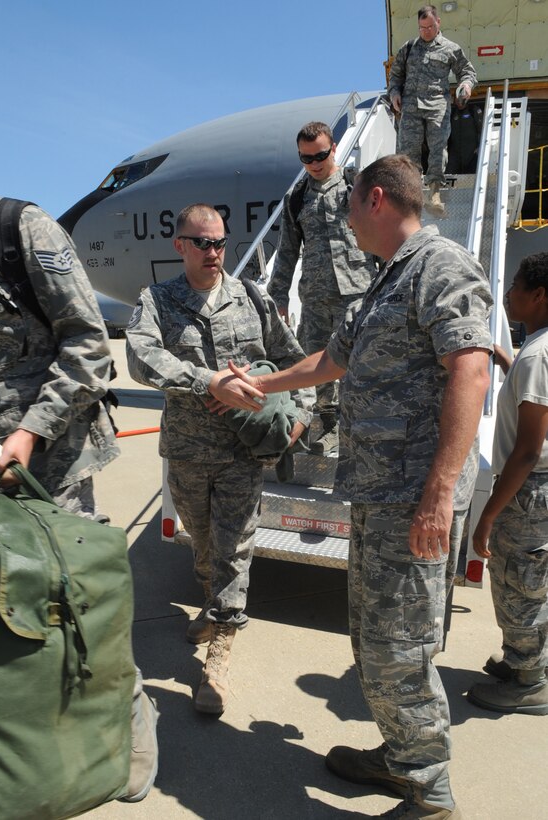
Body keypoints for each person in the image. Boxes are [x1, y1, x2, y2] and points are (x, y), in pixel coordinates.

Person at [212, 155, 493, 818]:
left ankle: (429, 789)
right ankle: (401, 756)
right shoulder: (382, 286)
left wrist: (438, 494)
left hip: (413, 498)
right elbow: (329, 361)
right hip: (376, 492)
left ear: (373, 198)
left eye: (347, 209)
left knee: (402, 644)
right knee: (373, 637)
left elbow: (472, 374)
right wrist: (258, 386)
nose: (343, 224)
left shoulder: (439, 265)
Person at [0, 120, 157, 803]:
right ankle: (15, 742)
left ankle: (128, 724)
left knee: (75, 604)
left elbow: (89, 348)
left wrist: (30, 431)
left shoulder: (19, 230)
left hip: (47, 469)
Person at [126, 203, 314, 715]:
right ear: (179, 245)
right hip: (187, 454)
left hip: (241, 456)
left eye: (220, 243)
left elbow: (298, 363)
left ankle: (219, 655)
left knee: (234, 552)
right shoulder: (158, 301)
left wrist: (300, 419)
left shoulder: (252, 297)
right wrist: (207, 380)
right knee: (204, 547)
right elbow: (142, 357)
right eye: (201, 242)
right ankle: (213, 608)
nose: (213, 252)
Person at [467, 254, 548, 716]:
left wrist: (490, 516)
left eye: (518, 285)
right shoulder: (535, 351)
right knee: (531, 582)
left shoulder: (537, 356)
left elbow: (527, 451)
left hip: (530, 491)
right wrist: (507, 362)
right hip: (536, 488)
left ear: (538, 295)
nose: (510, 292)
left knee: (520, 584)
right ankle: (525, 661)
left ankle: (530, 680)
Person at [267, 121, 373, 455]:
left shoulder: (358, 186)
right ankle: (326, 428)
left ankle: (357, 429)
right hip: (314, 296)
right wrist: (278, 296)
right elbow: (286, 251)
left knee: (358, 362)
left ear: (334, 149)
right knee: (317, 363)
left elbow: (384, 234)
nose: (314, 164)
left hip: (357, 291)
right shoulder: (296, 198)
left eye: (321, 155)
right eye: (306, 158)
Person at [388, 5, 477, 216]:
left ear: (438, 22)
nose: (425, 31)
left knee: (438, 149)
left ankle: (435, 194)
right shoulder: (408, 48)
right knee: (408, 151)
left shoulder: (450, 48)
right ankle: (411, 195)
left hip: (438, 104)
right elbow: (396, 75)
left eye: (429, 26)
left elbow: (467, 72)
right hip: (411, 106)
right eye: (421, 27)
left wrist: (466, 86)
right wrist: (394, 93)